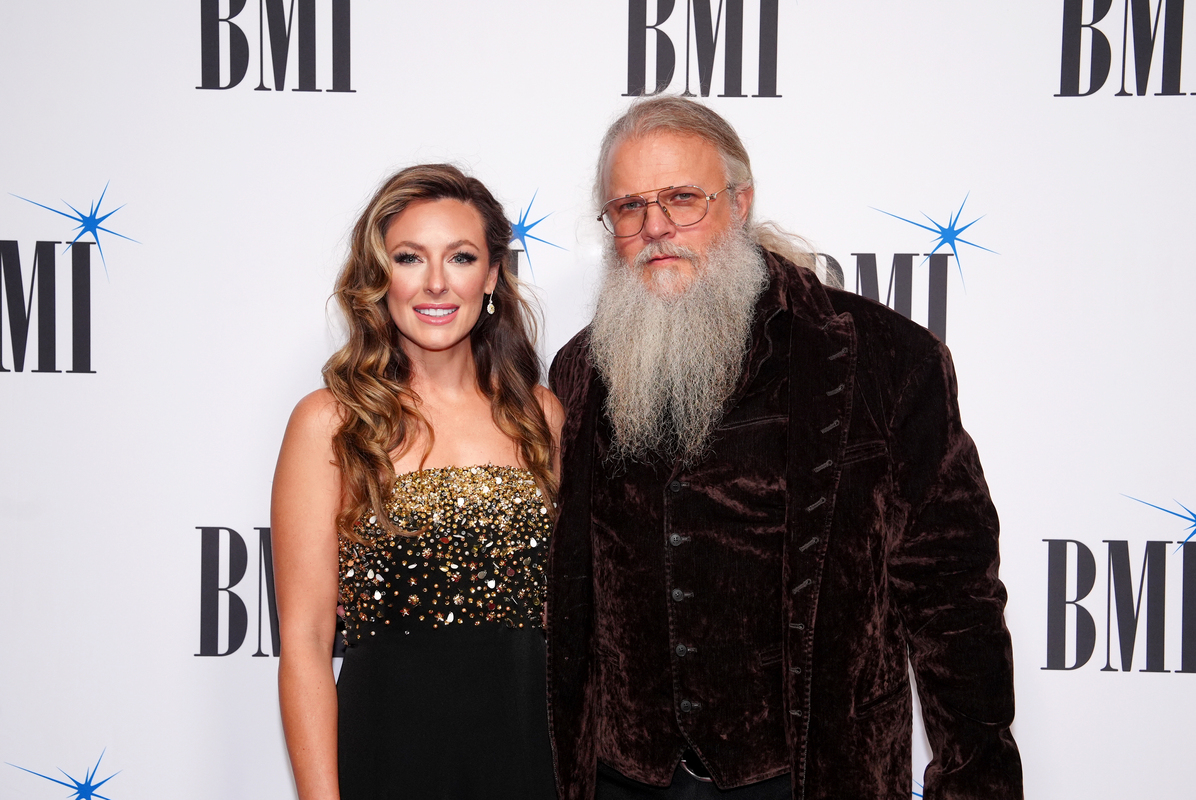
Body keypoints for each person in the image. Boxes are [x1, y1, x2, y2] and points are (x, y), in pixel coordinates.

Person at [546, 97, 1022, 799]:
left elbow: (955, 601)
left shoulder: (882, 358)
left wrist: (974, 783)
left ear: (739, 204)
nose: (656, 229)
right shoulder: (579, 373)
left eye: (683, 200)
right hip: (627, 779)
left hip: (809, 774)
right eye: (628, 207)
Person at [272, 164, 563, 800]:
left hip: (528, 762)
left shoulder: (541, 416)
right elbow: (305, 642)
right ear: (380, 277)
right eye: (409, 257)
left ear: (490, 277)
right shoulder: (329, 422)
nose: (435, 282)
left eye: (460, 257)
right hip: (385, 758)